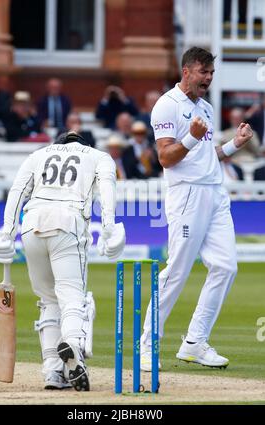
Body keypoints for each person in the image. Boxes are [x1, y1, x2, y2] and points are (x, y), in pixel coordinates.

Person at [140, 47, 253, 371]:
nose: (208, 78)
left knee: (226, 267)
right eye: (204, 72)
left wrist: (235, 145)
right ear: (187, 71)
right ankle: (147, 345)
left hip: (214, 194)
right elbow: (166, 158)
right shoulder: (167, 105)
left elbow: (206, 154)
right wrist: (190, 138)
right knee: (177, 271)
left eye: (211, 73)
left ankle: (194, 342)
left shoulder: (205, 107)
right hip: (186, 196)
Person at [0, 131, 126, 391]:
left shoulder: (38, 154)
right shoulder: (99, 156)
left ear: (58, 144)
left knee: (49, 300)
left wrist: (7, 231)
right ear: (84, 145)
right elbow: (107, 188)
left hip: (31, 225)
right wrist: (109, 227)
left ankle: (53, 369)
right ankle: (73, 343)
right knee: (73, 296)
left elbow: (18, 191)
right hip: (68, 222)